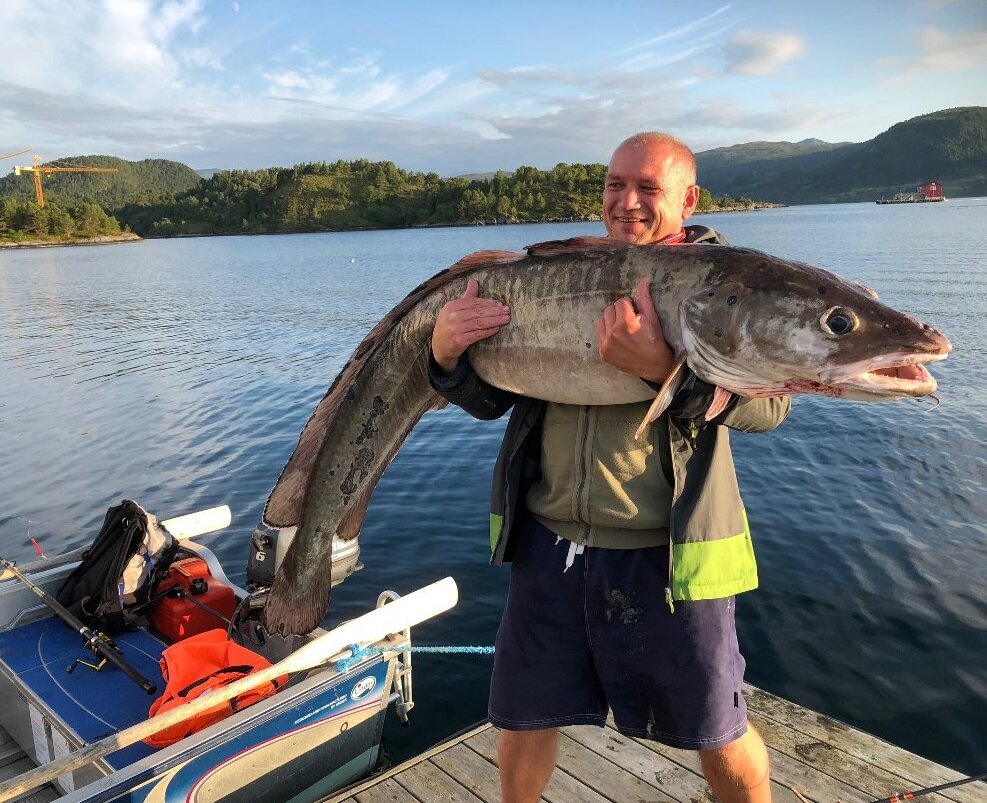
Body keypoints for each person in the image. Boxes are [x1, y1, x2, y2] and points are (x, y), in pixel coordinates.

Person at [427, 132, 791, 803]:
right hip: (548, 542)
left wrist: (664, 371)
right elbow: (493, 397)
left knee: (717, 725)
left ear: (688, 200)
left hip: (670, 553)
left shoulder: (734, 287)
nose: (625, 203)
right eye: (613, 186)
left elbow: (767, 409)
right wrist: (446, 358)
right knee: (522, 717)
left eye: (646, 189)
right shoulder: (565, 280)